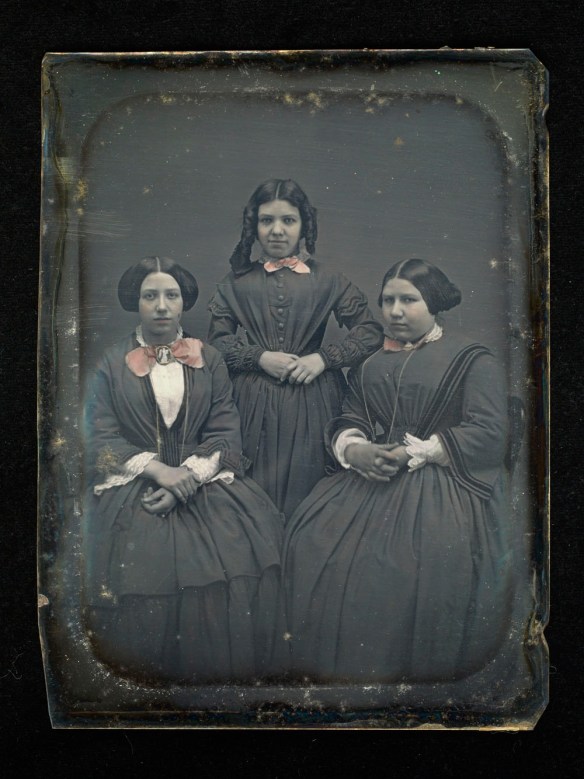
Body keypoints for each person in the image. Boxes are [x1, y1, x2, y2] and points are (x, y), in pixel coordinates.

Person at [284, 259, 515, 683]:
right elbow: (348, 416)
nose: (395, 311)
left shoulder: (471, 358)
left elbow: (490, 432)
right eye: (388, 300)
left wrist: (426, 452)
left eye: (409, 300)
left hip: (443, 483)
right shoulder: (370, 363)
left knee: (404, 567)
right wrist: (356, 451)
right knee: (310, 539)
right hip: (369, 477)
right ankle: (335, 678)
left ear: (434, 304)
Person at [83, 256, 284, 683]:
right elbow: (99, 438)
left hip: (203, 479)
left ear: (183, 302)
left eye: (170, 295)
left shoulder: (209, 358)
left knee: (231, 566)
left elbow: (226, 430)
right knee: (142, 568)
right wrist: (159, 472)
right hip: (137, 482)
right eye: (150, 296)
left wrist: (184, 480)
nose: (161, 306)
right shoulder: (111, 361)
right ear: (135, 303)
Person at [208, 179, 383, 517]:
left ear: (304, 225)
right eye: (266, 221)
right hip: (250, 403)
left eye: (288, 220)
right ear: (254, 226)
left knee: (310, 499)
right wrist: (258, 357)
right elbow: (216, 343)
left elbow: (369, 332)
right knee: (252, 500)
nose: (277, 231)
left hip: (314, 398)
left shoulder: (329, 278)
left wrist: (323, 358)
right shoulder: (235, 283)